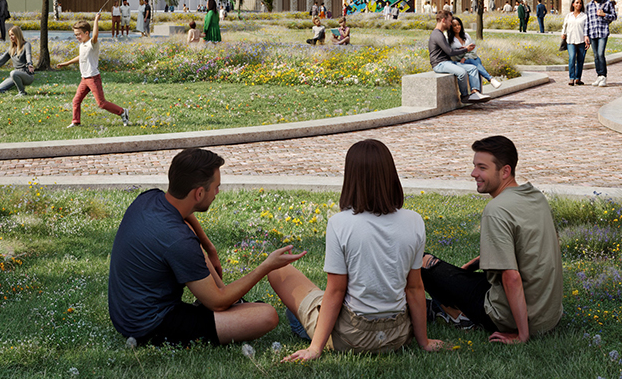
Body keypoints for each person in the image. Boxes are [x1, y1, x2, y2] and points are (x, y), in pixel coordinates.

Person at [107, 147, 301, 347]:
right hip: (149, 325)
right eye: (215, 187)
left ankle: (230, 300)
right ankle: (229, 303)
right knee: (266, 315)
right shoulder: (179, 240)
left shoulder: (149, 198)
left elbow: (186, 218)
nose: (217, 192)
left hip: (126, 312)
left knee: (189, 234)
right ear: (199, 193)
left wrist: (209, 247)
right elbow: (217, 302)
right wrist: (266, 266)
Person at [267, 140, 441, 360]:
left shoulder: (340, 223)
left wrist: (315, 349)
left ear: (351, 177)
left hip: (352, 336)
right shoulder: (414, 221)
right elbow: (415, 288)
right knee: (311, 302)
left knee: (279, 272)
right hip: (397, 335)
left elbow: (336, 291)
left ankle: (308, 329)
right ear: (391, 174)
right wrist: (423, 342)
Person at [419, 135, 564, 344]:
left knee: (421, 261)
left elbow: (511, 277)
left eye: (482, 168)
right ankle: (443, 308)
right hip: (548, 316)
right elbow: (523, 248)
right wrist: (474, 264)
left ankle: (458, 315)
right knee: (459, 277)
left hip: (510, 317)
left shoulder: (496, 210)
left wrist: (522, 335)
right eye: (474, 166)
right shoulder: (535, 197)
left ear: (505, 171)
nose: (473, 173)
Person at [69, 18, 130, 127]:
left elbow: (95, 35)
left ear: (86, 33)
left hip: (93, 78)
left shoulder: (92, 43)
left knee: (101, 103)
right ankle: (76, 122)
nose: (77, 37)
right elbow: (81, 57)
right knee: (76, 101)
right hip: (85, 79)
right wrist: (66, 63)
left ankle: (122, 112)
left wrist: (96, 19)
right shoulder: (82, 45)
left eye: (78, 34)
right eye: (75, 35)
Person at [429, 11, 489, 103]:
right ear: (443, 20)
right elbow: (450, 52)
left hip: (447, 62)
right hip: (439, 64)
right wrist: (466, 49)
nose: (450, 23)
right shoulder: (437, 34)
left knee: (473, 68)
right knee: (462, 73)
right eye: (449, 21)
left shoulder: (440, 33)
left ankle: (475, 93)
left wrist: (463, 48)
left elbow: (449, 49)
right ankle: (465, 96)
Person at [583, 0, 615, 88]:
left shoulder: (607, 4)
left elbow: (614, 17)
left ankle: (603, 76)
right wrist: (586, 35)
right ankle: (599, 75)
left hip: (603, 32)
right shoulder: (589, 5)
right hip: (592, 33)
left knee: (601, 54)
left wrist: (604, 15)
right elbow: (587, 21)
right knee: (596, 55)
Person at [449, 17, 496, 88]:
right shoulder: (451, 40)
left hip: (471, 58)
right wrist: (466, 52)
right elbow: (455, 53)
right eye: (454, 25)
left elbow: (473, 48)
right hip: (460, 62)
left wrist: (465, 57)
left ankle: (479, 92)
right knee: (475, 65)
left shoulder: (466, 35)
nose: (457, 27)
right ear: (451, 27)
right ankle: (489, 79)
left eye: (458, 24)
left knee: (476, 61)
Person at [0, 27, 35, 95]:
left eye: (12, 35)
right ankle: (16, 86)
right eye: (10, 35)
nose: (11, 37)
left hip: (26, 75)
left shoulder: (26, 45)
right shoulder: (11, 49)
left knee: (13, 73)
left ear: (18, 34)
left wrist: (29, 64)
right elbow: (2, 59)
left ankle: (22, 92)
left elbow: (28, 54)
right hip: (15, 75)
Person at [561, 0, 588, 85]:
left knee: (580, 60)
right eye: (577, 3)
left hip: (581, 41)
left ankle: (578, 78)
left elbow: (586, 29)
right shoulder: (569, 15)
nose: (578, 5)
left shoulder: (584, 16)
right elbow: (564, 26)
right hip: (570, 41)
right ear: (573, 4)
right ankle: (571, 78)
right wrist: (563, 33)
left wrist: (588, 40)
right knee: (572, 58)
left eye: (580, 3)